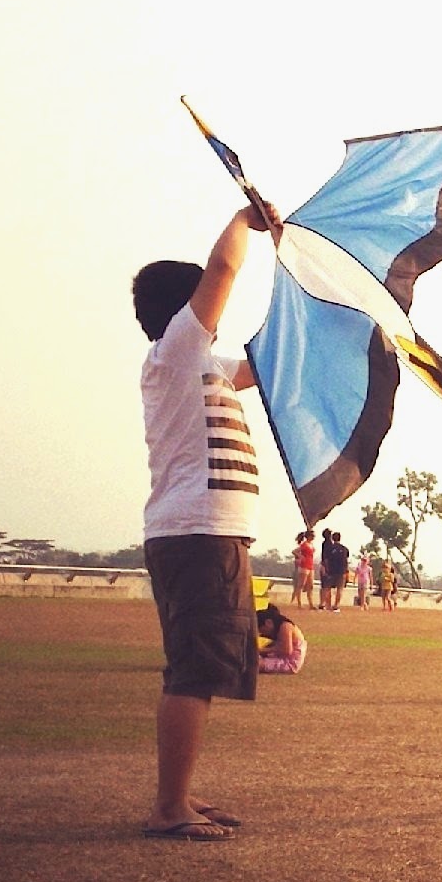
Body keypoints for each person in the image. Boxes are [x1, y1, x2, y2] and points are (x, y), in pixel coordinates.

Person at [133, 200, 280, 841]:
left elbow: (267, 369)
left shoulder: (199, 365)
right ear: (183, 311)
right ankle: (170, 807)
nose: (212, 310)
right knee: (194, 670)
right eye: (201, 301)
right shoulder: (178, 349)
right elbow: (223, 269)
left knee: (203, 667)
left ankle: (180, 793)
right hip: (198, 535)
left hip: (210, 535)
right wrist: (245, 221)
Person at [257, 605, 307, 674]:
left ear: (268, 622)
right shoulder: (280, 628)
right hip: (281, 657)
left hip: (289, 662)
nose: (263, 633)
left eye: (262, 630)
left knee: (255, 664)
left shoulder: (285, 627)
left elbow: (286, 651)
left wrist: (261, 650)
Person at [322, 531, 350, 612]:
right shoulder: (344, 549)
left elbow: (326, 560)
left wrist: (326, 569)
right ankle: (336, 606)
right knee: (339, 589)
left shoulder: (329, 548)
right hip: (341, 571)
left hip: (331, 570)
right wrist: (346, 571)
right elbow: (346, 561)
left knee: (327, 588)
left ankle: (328, 605)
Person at [291, 530, 315, 609]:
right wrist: (301, 556)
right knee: (301, 584)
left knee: (310, 585)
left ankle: (311, 603)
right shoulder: (304, 545)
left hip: (310, 565)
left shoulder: (311, 544)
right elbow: (294, 551)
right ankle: (299, 603)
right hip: (304, 566)